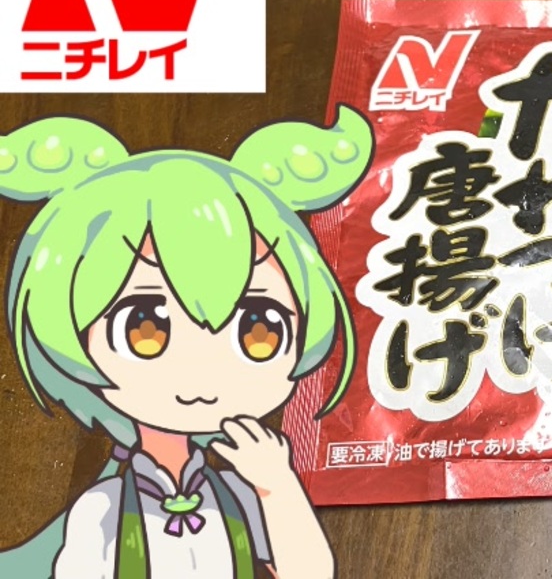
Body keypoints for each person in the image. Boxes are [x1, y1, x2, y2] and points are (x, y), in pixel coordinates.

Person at [0, 106, 374, 578]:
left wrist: (277, 485)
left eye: (258, 330)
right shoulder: (103, 509)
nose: (202, 372)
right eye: (144, 328)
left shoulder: (240, 495)